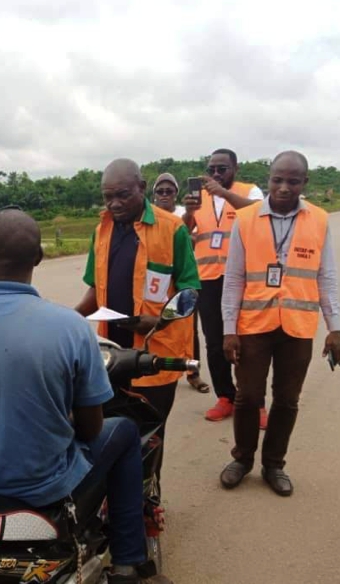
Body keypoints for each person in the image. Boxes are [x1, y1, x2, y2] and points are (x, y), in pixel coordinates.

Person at [0, 209, 170, 584]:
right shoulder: (70, 327)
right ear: (39, 257)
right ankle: (128, 561)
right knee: (124, 430)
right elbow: (91, 430)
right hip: (42, 486)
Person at [218, 151, 340, 496]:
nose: (284, 187)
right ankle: (242, 459)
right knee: (247, 397)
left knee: (287, 400)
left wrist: (335, 327)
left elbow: (327, 276)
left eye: (293, 181)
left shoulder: (319, 220)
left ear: (305, 182)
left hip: (298, 328)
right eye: (277, 179)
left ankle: (274, 464)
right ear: (268, 179)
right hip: (253, 325)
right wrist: (229, 329)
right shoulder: (245, 218)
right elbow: (234, 278)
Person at [75, 160, 200, 485]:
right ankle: (116, 502)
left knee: (149, 438)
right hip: (112, 356)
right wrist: (68, 319)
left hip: (154, 355)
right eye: (108, 197)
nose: (114, 204)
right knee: (110, 434)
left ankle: (148, 502)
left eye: (123, 195)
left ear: (142, 188)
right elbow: (95, 289)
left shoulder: (172, 229)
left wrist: (158, 321)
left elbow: (189, 291)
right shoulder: (101, 230)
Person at [182, 149, 267, 426]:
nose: (216, 174)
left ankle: (255, 402)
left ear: (235, 169)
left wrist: (223, 193)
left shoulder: (249, 191)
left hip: (243, 278)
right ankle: (225, 397)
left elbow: (259, 213)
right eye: (212, 169)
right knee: (215, 342)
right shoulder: (199, 198)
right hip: (207, 279)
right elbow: (183, 233)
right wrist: (189, 212)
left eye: (222, 169)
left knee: (248, 342)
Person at [151, 172, 209, 394]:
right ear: (154, 194)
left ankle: (192, 372)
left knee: (188, 328)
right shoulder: (148, 215)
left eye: (169, 191)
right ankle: (156, 368)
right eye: (160, 191)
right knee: (155, 325)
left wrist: (189, 215)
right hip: (156, 280)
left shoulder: (185, 213)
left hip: (181, 277)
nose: (164, 194)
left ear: (176, 193)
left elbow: (190, 239)